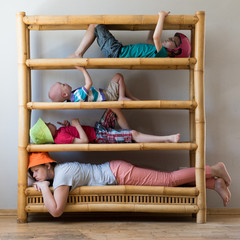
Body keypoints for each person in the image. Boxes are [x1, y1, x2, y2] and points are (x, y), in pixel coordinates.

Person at [28, 152, 231, 217]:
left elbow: (56, 210)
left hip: (119, 173)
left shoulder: (62, 174)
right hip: (117, 171)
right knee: (167, 180)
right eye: (32, 174)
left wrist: (45, 188)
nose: (34, 177)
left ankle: (214, 169)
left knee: (168, 179)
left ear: (47, 164)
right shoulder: (62, 171)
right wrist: (42, 182)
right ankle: (213, 183)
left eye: (35, 171)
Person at [68, 11, 191, 59]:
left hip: (117, 51)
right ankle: (77, 54)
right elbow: (150, 38)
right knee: (94, 26)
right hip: (117, 51)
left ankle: (78, 54)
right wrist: (154, 23)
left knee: (95, 24)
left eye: (173, 40)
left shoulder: (163, 54)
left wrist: (162, 17)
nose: (169, 38)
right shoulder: (155, 51)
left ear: (175, 51)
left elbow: (156, 37)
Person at [30, 108, 180, 144]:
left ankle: (127, 135)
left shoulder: (60, 133)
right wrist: (76, 124)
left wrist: (70, 125)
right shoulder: (59, 138)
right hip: (100, 136)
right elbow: (84, 141)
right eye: (47, 125)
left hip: (98, 129)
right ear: (46, 134)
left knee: (112, 107)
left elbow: (73, 135)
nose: (49, 123)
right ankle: (167, 138)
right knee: (134, 133)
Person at [49, 66, 138, 102]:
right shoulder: (77, 96)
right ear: (64, 94)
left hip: (106, 94)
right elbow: (89, 83)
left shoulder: (73, 98)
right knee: (118, 76)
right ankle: (122, 97)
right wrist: (83, 70)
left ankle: (128, 97)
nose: (65, 83)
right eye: (63, 85)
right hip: (108, 96)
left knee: (118, 78)